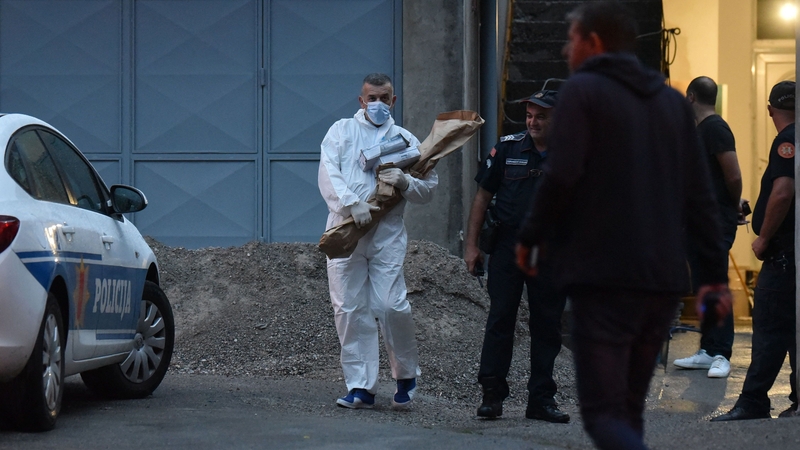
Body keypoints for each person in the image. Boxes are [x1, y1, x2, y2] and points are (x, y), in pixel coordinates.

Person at [514, 2, 731, 448]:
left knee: (602, 414)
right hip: (662, 280)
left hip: (605, 277)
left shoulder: (585, 92)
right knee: (630, 408)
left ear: (593, 43)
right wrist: (713, 279)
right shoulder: (672, 104)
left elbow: (561, 176)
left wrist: (531, 237)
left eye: (571, 38)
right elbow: (701, 200)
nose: (564, 47)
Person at [318, 73, 438, 409]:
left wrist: (405, 183)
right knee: (348, 308)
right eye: (372, 98)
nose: (378, 105)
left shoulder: (406, 140)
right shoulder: (341, 132)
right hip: (346, 229)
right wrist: (349, 204)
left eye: (384, 98)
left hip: (386, 232)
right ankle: (361, 387)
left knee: (390, 304)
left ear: (394, 101)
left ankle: (405, 374)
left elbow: (428, 188)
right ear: (361, 100)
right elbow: (328, 171)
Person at [463, 90, 570, 423]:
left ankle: (541, 400)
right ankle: (492, 397)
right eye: (529, 116)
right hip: (509, 246)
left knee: (547, 326)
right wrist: (471, 245)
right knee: (500, 321)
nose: (532, 122)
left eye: (540, 117)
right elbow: (482, 197)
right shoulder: (508, 148)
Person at [711, 80, 797, 421]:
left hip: (784, 256)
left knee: (770, 329)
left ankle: (753, 402)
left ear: (769, 109)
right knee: (792, 330)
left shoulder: (787, 140)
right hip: (794, 255)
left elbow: (783, 192)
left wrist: (762, 239)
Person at [673, 76, 743, 378]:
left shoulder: (715, 127)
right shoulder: (701, 130)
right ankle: (707, 349)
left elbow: (734, 174)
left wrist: (732, 206)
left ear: (690, 98)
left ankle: (721, 354)